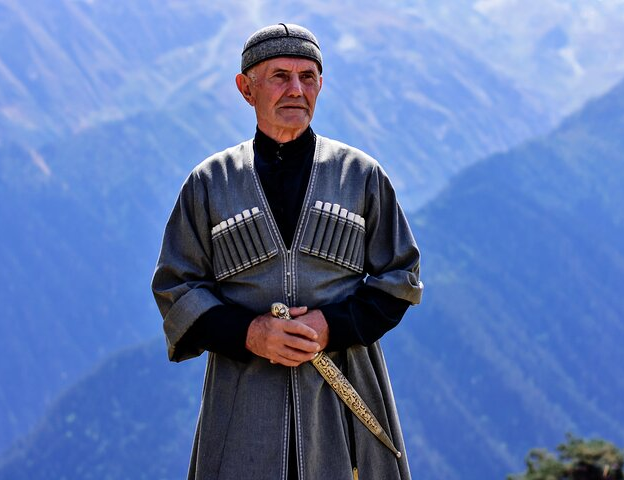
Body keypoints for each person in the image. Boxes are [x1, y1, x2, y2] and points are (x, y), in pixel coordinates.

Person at [152, 23, 423, 480]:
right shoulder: (209, 184)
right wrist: (250, 334)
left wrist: (330, 325)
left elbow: (402, 278)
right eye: (279, 76)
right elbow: (177, 288)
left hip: (345, 393)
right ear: (246, 88)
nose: (296, 89)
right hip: (242, 401)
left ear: (321, 84)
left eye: (308, 77)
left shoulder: (362, 176)